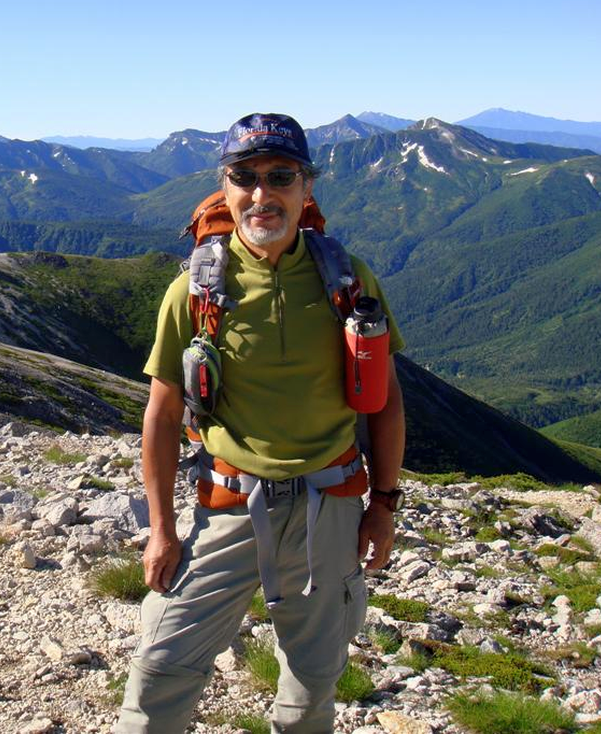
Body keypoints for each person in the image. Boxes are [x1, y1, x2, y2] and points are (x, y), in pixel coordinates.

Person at [115, 113, 406, 734]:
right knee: (161, 664)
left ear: (307, 189)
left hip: (330, 505)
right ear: (225, 188)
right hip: (226, 502)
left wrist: (383, 503)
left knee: (310, 687)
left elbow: (385, 402)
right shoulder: (193, 291)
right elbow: (163, 416)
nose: (261, 193)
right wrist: (161, 529)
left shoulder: (348, 281)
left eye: (281, 176)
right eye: (244, 177)